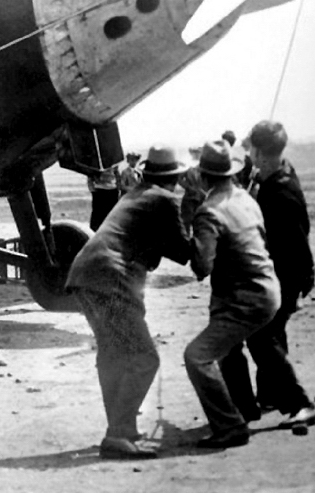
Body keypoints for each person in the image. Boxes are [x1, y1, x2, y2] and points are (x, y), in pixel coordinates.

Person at [65, 145, 191, 460]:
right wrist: (196, 203)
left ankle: (120, 431)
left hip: (85, 274)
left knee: (112, 352)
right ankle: (118, 433)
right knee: (144, 357)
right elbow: (185, 252)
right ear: (174, 177)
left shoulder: (135, 194)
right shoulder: (162, 199)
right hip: (109, 279)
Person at [183, 140, 281, 449]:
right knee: (227, 347)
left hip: (245, 300)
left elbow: (202, 268)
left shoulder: (208, 212)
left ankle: (230, 427)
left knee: (197, 357)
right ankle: (243, 409)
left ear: (202, 176)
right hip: (268, 289)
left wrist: (190, 236)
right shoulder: (246, 198)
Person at [220, 121, 315, 428]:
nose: (248, 155)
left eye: (251, 150)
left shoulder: (281, 192)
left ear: (261, 153)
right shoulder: (278, 175)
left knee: (261, 337)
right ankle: (272, 395)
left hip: (284, 276)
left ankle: (300, 404)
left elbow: (296, 248)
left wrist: (295, 288)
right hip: (283, 275)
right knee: (271, 335)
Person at [87, 161, 120, 231]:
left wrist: (118, 188)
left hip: (112, 190)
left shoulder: (113, 160)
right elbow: (90, 175)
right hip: (99, 190)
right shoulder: (95, 161)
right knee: (97, 216)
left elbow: (117, 174)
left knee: (111, 214)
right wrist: (92, 190)